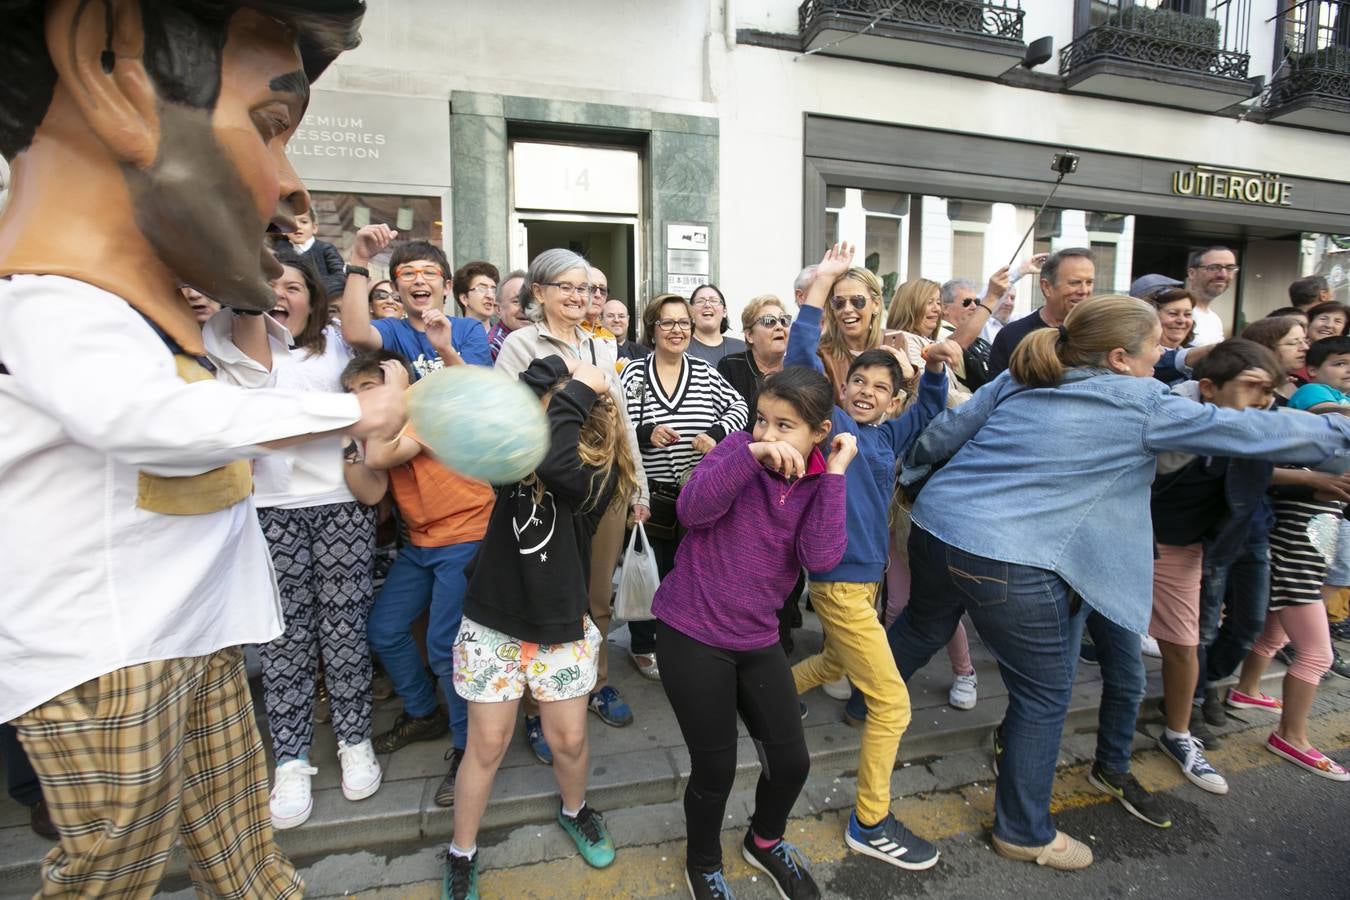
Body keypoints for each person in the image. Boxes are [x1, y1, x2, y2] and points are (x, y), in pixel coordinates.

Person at [0, 3, 404, 896]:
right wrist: (349, 418)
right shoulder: (46, 302)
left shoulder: (138, 316)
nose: (293, 187)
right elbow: (142, 422)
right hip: (109, 659)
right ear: (108, 70)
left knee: (244, 854)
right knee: (115, 873)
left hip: (200, 635)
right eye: (271, 126)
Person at [885, 295, 1350, 870]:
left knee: (923, 623)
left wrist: (914, 477)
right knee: (1044, 693)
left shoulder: (1024, 374)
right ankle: (1024, 832)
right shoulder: (1142, 401)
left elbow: (942, 434)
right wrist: (1339, 434)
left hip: (937, 527)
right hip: (1008, 558)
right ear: (1120, 357)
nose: (1163, 355)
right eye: (1156, 346)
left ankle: (865, 702)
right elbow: (1256, 430)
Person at [654, 366, 855, 900]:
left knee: (792, 762)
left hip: (758, 637)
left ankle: (764, 842)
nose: (767, 433)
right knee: (715, 767)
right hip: (691, 630)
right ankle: (703, 864)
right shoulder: (737, 450)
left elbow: (820, 556)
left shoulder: (820, 479)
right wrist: (749, 456)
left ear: (819, 431)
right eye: (762, 419)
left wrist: (834, 476)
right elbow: (693, 510)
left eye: (784, 425)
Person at [444, 355, 639, 899]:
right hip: (493, 624)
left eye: (563, 406)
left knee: (569, 739)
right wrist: (556, 374)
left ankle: (575, 811)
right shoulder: (512, 457)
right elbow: (516, 411)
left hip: (561, 628)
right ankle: (462, 851)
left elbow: (556, 462)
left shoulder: (598, 474)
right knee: (487, 744)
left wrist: (578, 387)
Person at [787, 244, 951, 874]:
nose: (865, 392)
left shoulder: (888, 433)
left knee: (832, 659)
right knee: (892, 704)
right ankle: (869, 821)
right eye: (858, 381)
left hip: (865, 585)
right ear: (843, 387)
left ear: (890, 400)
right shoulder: (828, 423)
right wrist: (822, 285)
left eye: (880, 388)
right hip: (836, 581)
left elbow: (931, 412)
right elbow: (803, 356)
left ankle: (759, 694)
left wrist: (933, 368)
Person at [213, 252, 384, 829]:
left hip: (339, 505)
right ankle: (289, 757)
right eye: (268, 284)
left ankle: (355, 740)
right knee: (284, 636)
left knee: (343, 628)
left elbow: (372, 404)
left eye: (292, 285)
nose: (279, 293)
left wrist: (360, 264)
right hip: (268, 509)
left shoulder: (337, 344)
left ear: (312, 297)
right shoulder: (227, 342)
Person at [496, 250, 650, 763]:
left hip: (604, 490)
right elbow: (511, 422)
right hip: (547, 495)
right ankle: (540, 708)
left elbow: (622, 425)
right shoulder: (520, 346)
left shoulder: (601, 346)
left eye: (586, 289)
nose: (579, 297)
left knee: (596, 597)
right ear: (538, 292)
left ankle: (594, 683)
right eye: (566, 286)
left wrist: (637, 489)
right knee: (549, 599)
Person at [348, 351, 495, 809]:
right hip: (421, 545)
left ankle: (467, 749)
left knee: (444, 647)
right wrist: (348, 443)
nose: (358, 405)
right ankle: (422, 712)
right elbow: (370, 489)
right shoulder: (379, 429)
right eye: (350, 396)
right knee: (385, 630)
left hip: (465, 538)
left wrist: (394, 400)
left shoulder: (424, 414)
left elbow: (383, 453)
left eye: (366, 392)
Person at [1148, 340, 1284, 800]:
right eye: (1251, 387)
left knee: (1184, 645)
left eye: (1268, 389)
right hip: (1126, 539)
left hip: (1187, 549)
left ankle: (1178, 733)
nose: (1262, 399)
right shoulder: (1169, 415)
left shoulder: (1259, 427)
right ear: (1208, 388)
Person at [1228, 337, 1350, 782]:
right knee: (1316, 653)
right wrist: (1313, 477)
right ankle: (1291, 736)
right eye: (1339, 363)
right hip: (1296, 547)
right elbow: (1257, 467)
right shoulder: (1314, 419)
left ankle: (1245, 690)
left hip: (1306, 548)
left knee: (1274, 633)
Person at [621, 294, 749, 679]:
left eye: (683, 323)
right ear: (652, 329)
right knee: (651, 572)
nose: (677, 330)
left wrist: (715, 432)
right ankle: (644, 644)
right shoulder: (633, 374)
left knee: (692, 572)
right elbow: (617, 425)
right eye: (667, 323)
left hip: (700, 495)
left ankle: (685, 640)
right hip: (652, 493)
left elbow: (740, 408)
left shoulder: (705, 372)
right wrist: (645, 433)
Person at [340, 225, 491, 379]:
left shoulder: (469, 329)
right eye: (408, 273)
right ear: (395, 288)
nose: (419, 280)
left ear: (447, 286)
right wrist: (360, 259)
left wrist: (445, 349)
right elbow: (355, 335)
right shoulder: (391, 330)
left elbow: (477, 389)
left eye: (430, 272)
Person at [986, 248, 1095, 378]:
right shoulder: (1012, 336)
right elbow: (995, 393)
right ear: (1046, 287)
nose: (1084, 290)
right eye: (1074, 283)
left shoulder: (1102, 335)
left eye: (1089, 282)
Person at [814, 264, 888, 395]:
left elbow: (910, 408)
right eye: (839, 302)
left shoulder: (892, 343)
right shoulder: (822, 353)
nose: (847, 309)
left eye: (857, 301)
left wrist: (910, 378)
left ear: (876, 305)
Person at [716, 294, 791, 416]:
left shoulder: (797, 368)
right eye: (769, 321)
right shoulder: (731, 366)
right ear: (750, 335)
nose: (779, 326)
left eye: (784, 320)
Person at [281, 209, 347, 303]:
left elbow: (339, 276)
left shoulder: (325, 249)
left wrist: (316, 289)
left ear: (314, 227)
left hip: (322, 301)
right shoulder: (279, 251)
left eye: (304, 222)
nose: (297, 226)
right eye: (291, 222)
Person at [1244, 315, 1310, 402]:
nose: (1305, 347)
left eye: (1305, 341)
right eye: (1293, 343)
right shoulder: (1246, 387)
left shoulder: (1297, 382)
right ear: (1266, 348)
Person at [1184, 246, 1238, 346]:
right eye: (1213, 268)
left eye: (1230, 268)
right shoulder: (1175, 314)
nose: (1223, 275)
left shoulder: (1215, 320)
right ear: (1192, 273)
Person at [687, 283, 746, 366]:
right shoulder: (682, 347)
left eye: (714, 301)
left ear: (724, 312)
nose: (707, 305)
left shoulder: (741, 348)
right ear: (691, 311)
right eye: (700, 301)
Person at [487, 269, 528, 360]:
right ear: (498, 309)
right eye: (516, 301)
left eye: (531, 300)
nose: (525, 308)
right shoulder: (494, 347)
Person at [453, 260, 499, 330]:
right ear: (464, 299)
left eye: (493, 290)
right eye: (482, 288)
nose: (490, 296)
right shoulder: (451, 337)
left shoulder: (505, 339)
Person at [602, 297, 650, 363]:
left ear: (628, 320)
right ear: (600, 319)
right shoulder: (594, 350)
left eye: (621, 316)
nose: (616, 320)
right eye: (610, 316)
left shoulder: (643, 353)